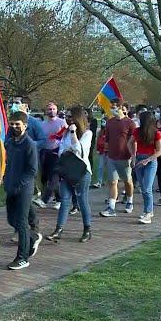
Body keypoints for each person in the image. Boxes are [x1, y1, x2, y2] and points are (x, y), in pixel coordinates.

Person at [45, 106, 93, 242]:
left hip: (81, 171)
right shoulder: (65, 133)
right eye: (66, 116)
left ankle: (87, 229)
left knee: (82, 199)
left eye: (71, 116)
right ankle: (58, 229)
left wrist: (73, 134)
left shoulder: (87, 133)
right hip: (66, 170)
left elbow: (79, 151)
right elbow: (61, 150)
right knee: (65, 199)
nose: (68, 119)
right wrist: (68, 146)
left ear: (78, 118)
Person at [4, 110, 42, 270]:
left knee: (21, 223)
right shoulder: (11, 143)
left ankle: (22, 257)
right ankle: (32, 236)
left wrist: (20, 184)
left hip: (23, 189)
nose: (14, 127)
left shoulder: (30, 145)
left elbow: (32, 169)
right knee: (12, 220)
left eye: (17, 125)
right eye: (11, 124)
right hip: (11, 187)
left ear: (25, 126)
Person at [100, 97, 136, 217]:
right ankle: (111, 207)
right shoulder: (110, 122)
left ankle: (130, 201)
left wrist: (133, 156)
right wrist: (105, 153)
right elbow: (107, 140)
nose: (112, 109)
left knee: (127, 181)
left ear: (121, 108)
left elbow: (134, 141)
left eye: (114, 107)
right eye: (111, 107)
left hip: (125, 157)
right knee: (113, 182)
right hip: (111, 157)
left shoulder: (130, 123)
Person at [128, 110, 161, 224]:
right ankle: (148, 210)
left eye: (140, 119)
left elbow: (159, 151)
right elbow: (130, 143)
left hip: (151, 161)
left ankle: (148, 212)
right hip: (138, 159)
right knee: (143, 188)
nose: (138, 121)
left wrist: (148, 160)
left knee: (147, 187)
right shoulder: (137, 131)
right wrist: (133, 156)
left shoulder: (156, 134)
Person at [34, 102, 67, 209]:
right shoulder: (42, 124)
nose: (51, 111)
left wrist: (58, 138)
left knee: (54, 176)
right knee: (45, 177)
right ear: (46, 111)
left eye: (53, 109)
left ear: (56, 110)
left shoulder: (62, 122)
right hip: (44, 152)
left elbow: (66, 135)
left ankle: (47, 199)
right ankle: (57, 198)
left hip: (56, 152)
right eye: (49, 109)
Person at [92, 117, 108, 189]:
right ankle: (99, 181)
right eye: (102, 122)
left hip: (109, 152)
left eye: (104, 122)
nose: (103, 123)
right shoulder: (100, 132)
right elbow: (98, 141)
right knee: (100, 167)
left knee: (109, 167)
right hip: (102, 151)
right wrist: (98, 149)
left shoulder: (111, 131)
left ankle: (109, 181)